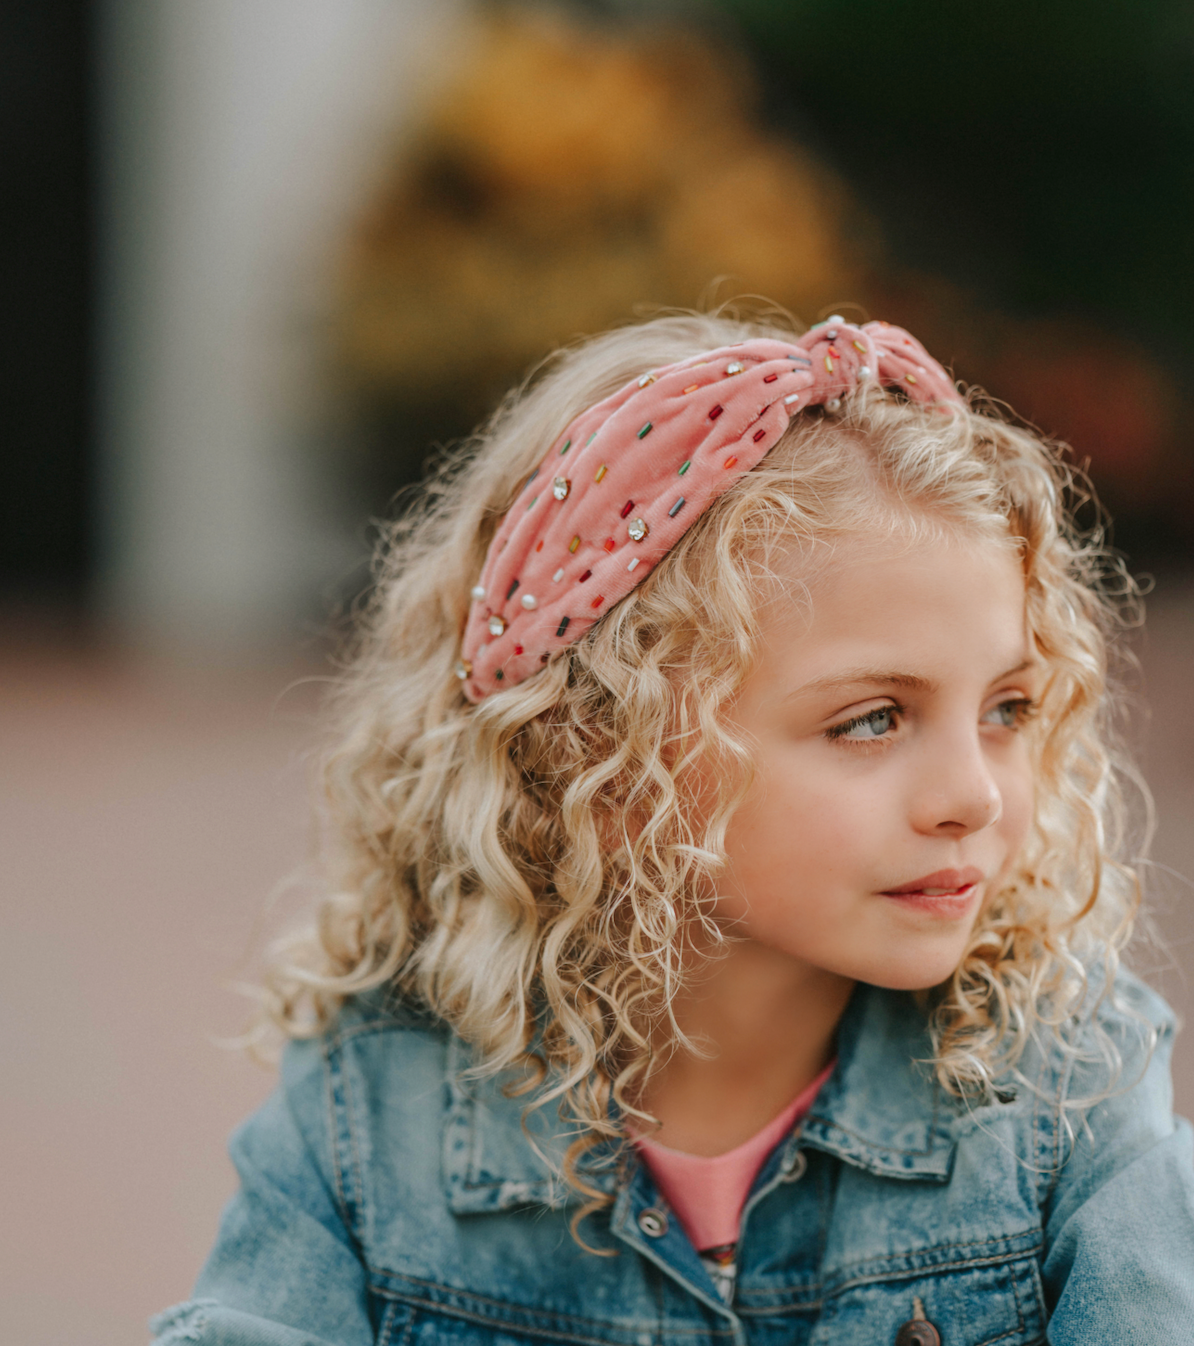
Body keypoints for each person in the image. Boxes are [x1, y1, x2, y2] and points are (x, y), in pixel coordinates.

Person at [151, 311, 1194, 1346]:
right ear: (601, 751)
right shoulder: (371, 1111)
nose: (974, 793)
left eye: (1006, 708)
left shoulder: (1072, 1087)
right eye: (871, 718)